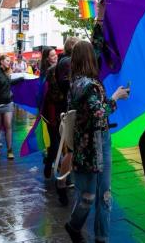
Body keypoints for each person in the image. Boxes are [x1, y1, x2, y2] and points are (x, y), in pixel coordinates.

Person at [64, 41, 129, 243]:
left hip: (85, 144)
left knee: (90, 195)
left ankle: (81, 229)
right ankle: (95, 235)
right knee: (101, 196)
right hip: (96, 142)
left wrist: (101, 17)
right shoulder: (89, 85)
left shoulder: (75, 83)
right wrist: (116, 97)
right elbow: (99, 114)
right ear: (90, 58)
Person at [54, 37, 81, 205]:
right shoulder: (66, 62)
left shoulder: (66, 61)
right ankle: (61, 184)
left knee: (71, 149)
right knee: (70, 150)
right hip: (68, 109)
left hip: (69, 108)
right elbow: (66, 84)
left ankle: (65, 181)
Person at [0, 55, 23, 160]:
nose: (9, 62)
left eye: (10, 61)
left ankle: (10, 150)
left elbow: (8, 83)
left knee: (8, 125)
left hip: (8, 103)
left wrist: (20, 79)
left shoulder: (7, 72)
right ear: (1, 61)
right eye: (7, 61)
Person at [40, 47, 60, 178]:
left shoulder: (59, 68)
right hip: (50, 113)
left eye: (55, 55)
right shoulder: (46, 73)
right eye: (52, 56)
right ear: (47, 58)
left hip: (58, 111)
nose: (55, 57)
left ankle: (53, 163)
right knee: (55, 142)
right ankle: (49, 164)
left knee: (58, 141)